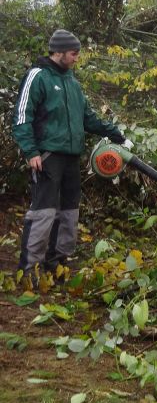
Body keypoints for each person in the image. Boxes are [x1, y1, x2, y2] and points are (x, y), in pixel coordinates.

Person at [12, 29, 130, 281]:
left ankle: (57, 263)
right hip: (47, 157)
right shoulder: (37, 77)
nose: (77, 58)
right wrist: (31, 151)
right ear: (59, 52)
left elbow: (89, 119)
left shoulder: (73, 83)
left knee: (69, 212)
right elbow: (22, 117)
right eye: (74, 53)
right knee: (43, 212)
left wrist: (117, 135)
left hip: (71, 158)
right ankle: (29, 268)